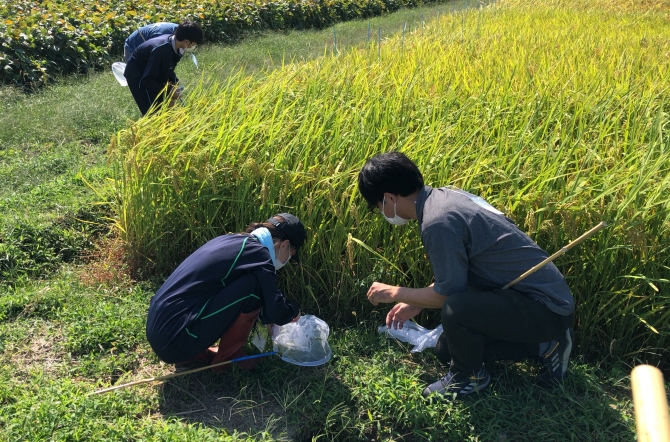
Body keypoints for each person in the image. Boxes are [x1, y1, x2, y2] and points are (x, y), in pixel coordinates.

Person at [357, 152, 574, 399]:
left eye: (377, 207)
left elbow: (446, 294)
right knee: (447, 349)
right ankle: (546, 345)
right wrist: (414, 303)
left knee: (455, 310)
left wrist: (394, 293)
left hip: (544, 306)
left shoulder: (437, 222)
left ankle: (469, 377)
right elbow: (457, 275)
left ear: (388, 198)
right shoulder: (445, 197)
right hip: (523, 296)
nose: (382, 212)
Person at [146, 213, 305, 371]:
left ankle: (194, 352)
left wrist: (268, 314)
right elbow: (277, 310)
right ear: (284, 245)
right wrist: (293, 311)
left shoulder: (232, 240)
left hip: (161, 331)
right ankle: (228, 359)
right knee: (254, 286)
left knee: (248, 284)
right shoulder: (261, 256)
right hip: (175, 340)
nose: (286, 261)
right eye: (290, 256)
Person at [123, 20, 203, 116]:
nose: (194, 46)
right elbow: (147, 80)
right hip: (138, 76)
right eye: (194, 44)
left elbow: (168, 69)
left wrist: (174, 83)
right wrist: (169, 92)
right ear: (187, 42)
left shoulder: (177, 48)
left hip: (150, 73)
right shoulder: (161, 50)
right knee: (152, 112)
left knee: (164, 104)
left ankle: (168, 124)